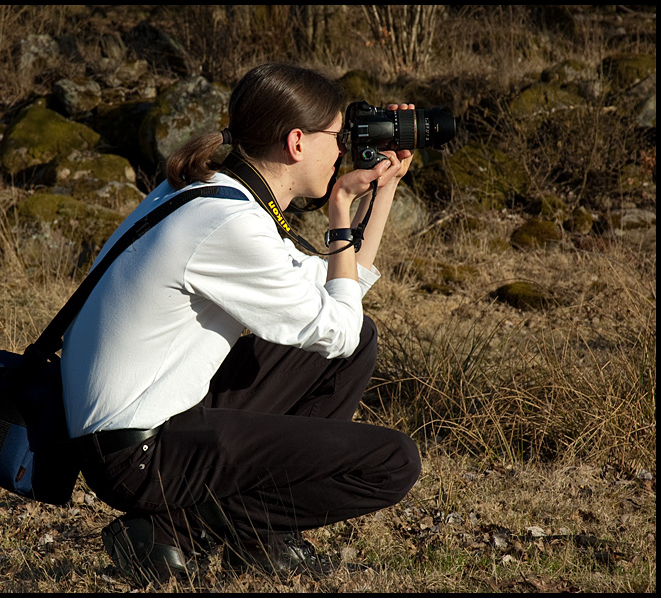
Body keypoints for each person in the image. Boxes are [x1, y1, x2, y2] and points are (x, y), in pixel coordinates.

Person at [60, 62, 421, 585]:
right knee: (392, 462)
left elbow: (338, 294)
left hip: (140, 424)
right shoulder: (229, 224)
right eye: (338, 138)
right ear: (297, 142)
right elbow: (335, 324)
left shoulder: (208, 193)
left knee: (357, 341)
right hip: (138, 456)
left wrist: (382, 191)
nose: (343, 150)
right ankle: (191, 528)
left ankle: (237, 535)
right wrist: (339, 211)